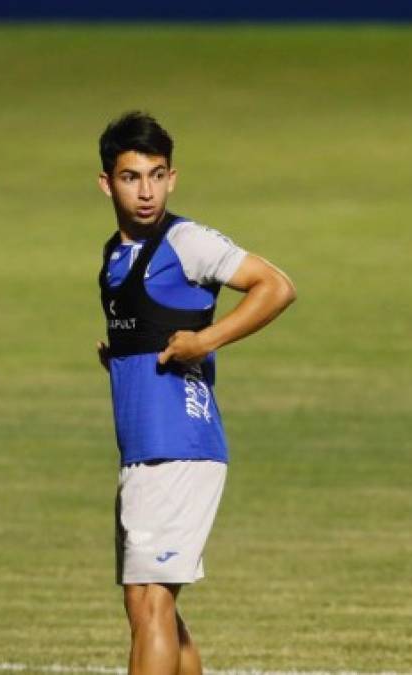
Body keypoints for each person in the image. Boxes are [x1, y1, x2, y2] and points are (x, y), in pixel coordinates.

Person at [95, 111, 296, 675]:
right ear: (106, 183)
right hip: (144, 449)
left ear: (173, 177)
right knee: (147, 607)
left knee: (151, 602)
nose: (146, 191)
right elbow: (154, 329)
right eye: (132, 177)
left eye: (157, 176)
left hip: (179, 445)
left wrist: (207, 339)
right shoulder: (116, 254)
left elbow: (276, 287)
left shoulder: (186, 241)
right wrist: (121, 358)